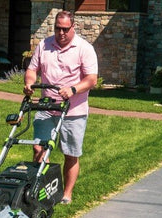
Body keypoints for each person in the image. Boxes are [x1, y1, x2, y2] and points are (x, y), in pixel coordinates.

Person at [23, 11, 98, 204]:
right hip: (47, 106)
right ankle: (44, 189)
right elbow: (32, 69)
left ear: (73, 27)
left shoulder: (84, 48)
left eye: (65, 29)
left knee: (70, 153)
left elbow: (91, 79)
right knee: (39, 148)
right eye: (58, 28)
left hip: (73, 111)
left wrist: (73, 89)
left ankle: (66, 194)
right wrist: (30, 83)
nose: (61, 33)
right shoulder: (44, 45)